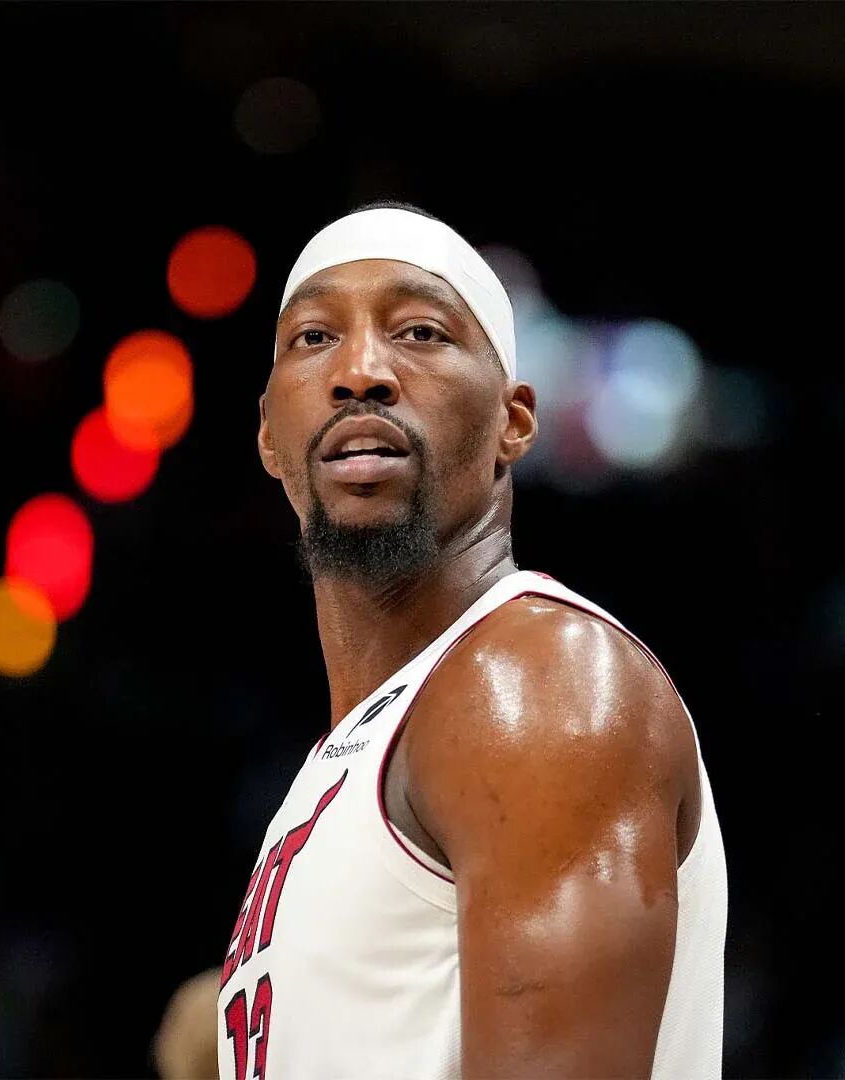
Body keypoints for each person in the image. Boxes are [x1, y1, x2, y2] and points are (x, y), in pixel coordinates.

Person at [212, 201, 727, 1079]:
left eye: (419, 332)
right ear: (267, 434)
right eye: (314, 338)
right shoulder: (353, 757)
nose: (360, 371)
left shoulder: (540, 682)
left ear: (513, 422)